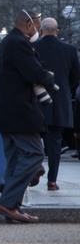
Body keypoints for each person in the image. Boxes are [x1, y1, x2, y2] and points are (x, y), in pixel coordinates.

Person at [0, 10, 55, 223]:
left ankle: (12, 206)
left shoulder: (9, 42)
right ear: (28, 24)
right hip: (17, 111)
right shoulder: (19, 43)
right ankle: (8, 203)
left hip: (5, 112)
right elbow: (34, 72)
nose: (37, 29)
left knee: (16, 158)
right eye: (35, 24)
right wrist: (50, 79)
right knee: (34, 154)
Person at [32, 17, 80, 191]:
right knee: (55, 142)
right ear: (57, 31)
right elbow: (76, 76)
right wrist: (65, 88)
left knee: (33, 139)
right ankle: (52, 180)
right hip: (60, 100)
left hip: (36, 100)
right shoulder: (69, 50)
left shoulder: (33, 48)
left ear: (42, 31)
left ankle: (36, 167)